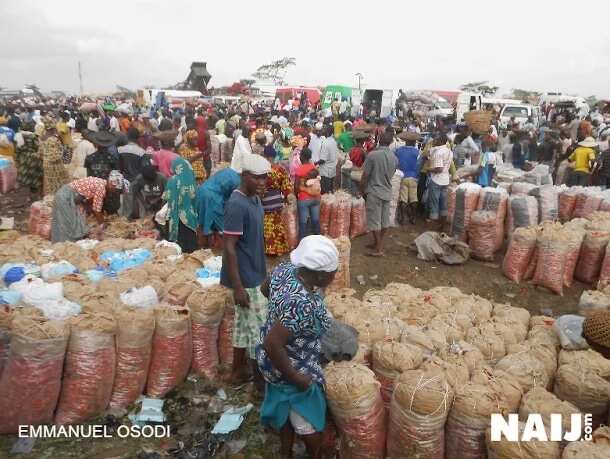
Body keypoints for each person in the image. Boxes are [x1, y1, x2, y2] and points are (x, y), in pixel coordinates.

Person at [256, 235, 338, 459]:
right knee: (306, 421)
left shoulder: (286, 270)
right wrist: (296, 378)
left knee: (285, 411)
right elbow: (273, 344)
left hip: (272, 362)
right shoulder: (301, 303)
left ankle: (285, 452)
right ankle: (316, 454)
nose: (335, 275)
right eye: (333, 272)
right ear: (320, 274)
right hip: (290, 365)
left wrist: (279, 311)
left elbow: (265, 289)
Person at [221, 154, 271, 385]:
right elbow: (229, 248)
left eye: (265, 178)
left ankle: (236, 372)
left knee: (243, 326)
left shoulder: (255, 199)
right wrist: (238, 287)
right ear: (244, 176)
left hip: (256, 272)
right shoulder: (236, 204)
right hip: (246, 279)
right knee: (261, 331)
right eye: (257, 178)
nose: (262, 182)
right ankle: (260, 383)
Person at [51, 172, 126, 242]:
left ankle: (67, 242)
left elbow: (90, 201)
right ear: (111, 184)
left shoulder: (101, 183)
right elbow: (96, 210)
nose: (114, 191)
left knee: (76, 220)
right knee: (66, 222)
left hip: (68, 196)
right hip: (65, 197)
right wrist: (102, 224)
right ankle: (63, 244)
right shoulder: (101, 188)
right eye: (115, 189)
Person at [360, 130, 397, 256]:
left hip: (374, 190)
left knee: (374, 221)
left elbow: (365, 176)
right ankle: (378, 243)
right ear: (391, 142)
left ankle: (379, 248)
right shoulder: (394, 157)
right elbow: (391, 174)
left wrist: (362, 190)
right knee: (384, 220)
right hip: (386, 190)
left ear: (379, 140)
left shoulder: (373, 155)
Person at [196, 167, 241, 247]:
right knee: (219, 225)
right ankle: (214, 248)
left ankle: (203, 247)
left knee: (203, 222)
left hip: (202, 191)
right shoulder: (237, 181)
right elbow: (232, 199)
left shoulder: (227, 171)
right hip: (212, 197)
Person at [161, 157, 198, 253]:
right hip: (189, 218)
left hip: (174, 217)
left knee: (175, 249)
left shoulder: (172, 180)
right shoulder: (192, 181)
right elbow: (194, 199)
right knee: (190, 247)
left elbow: (166, 198)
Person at [262, 147, 293, 256]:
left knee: (268, 226)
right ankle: (280, 248)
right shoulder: (280, 169)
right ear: (274, 156)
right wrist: (285, 199)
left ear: (264, 156)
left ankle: (270, 250)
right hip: (277, 201)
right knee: (278, 225)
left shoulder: (261, 170)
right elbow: (286, 186)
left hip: (265, 202)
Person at [394, 132, 421, 224]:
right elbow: (420, 165)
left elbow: (395, 163)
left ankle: (402, 218)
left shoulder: (398, 150)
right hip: (414, 177)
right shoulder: (417, 152)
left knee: (403, 199)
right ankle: (413, 217)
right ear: (414, 142)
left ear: (405, 141)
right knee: (414, 198)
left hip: (402, 177)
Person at [294, 148, 321, 239]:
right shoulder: (314, 167)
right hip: (316, 197)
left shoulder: (299, 169)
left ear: (301, 157)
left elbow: (296, 186)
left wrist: (296, 196)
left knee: (303, 222)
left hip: (304, 199)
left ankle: (303, 243)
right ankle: (318, 240)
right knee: (315, 220)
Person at [40, 115, 70, 196]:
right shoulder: (53, 140)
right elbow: (55, 157)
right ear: (53, 128)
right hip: (54, 166)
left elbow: (39, 153)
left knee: (49, 182)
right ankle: (57, 197)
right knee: (58, 183)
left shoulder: (42, 137)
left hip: (46, 164)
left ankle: (50, 196)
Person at [427, 133, 453, 228]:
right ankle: (442, 226)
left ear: (441, 141)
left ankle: (432, 228)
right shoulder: (449, 151)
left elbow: (439, 169)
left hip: (436, 180)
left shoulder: (438, 152)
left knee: (434, 203)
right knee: (443, 203)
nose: (434, 141)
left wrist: (429, 169)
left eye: (436, 139)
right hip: (445, 180)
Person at [14, 121, 42, 195]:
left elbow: (17, 149)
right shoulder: (33, 136)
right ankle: (33, 192)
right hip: (33, 158)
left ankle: (24, 193)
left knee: (24, 174)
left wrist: (17, 159)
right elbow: (37, 147)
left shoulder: (18, 136)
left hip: (23, 158)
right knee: (33, 174)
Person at [318, 125, 339, 194]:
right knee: (330, 191)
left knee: (325, 193)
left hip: (325, 171)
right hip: (332, 169)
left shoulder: (325, 142)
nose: (322, 131)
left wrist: (314, 163)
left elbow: (323, 160)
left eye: (324, 130)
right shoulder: (334, 141)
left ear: (327, 132)